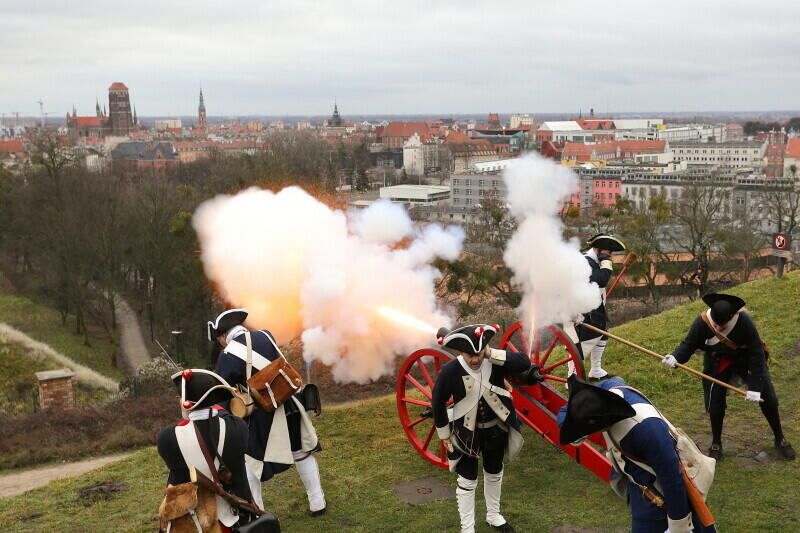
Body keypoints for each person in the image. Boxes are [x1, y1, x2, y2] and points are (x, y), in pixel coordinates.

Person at [558, 376, 718, 533]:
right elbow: (568, 408)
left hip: (661, 495)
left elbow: (672, 477)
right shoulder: (606, 390)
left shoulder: (647, 431)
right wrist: (575, 426)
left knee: (696, 522)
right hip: (640, 488)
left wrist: (678, 524)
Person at [208, 309, 326, 516]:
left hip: (263, 414)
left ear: (223, 335)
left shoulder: (226, 356)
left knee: (250, 462)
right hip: (289, 402)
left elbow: (223, 393)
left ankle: (257, 512)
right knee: (301, 453)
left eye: (219, 339)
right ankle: (318, 503)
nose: (220, 343)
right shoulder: (265, 335)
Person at [432, 323, 542, 533]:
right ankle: (467, 528)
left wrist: (491, 353)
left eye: (478, 353)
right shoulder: (450, 371)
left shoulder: (494, 359)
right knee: (467, 480)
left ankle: (494, 515)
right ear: (459, 352)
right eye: (469, 354)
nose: (475, 359)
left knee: (494, 472)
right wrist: (444, 434)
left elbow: (523, 363)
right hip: (465, 434)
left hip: (495, 429)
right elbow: (437, 404)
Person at [663, 293, 795, 461]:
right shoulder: (702, 322)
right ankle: (716, 443)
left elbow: (756, 354)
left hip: (746, 360)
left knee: (768, 397)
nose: (718, 328)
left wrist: (755, 387)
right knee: (715, 401)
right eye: (716, 325)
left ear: (731, 317)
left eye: (722, 326)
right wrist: (675, 357)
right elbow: (689, 344)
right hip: (718, 362)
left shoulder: (745, 322)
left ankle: (780, 439)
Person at [156, 368, 257, 532]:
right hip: (234, 519)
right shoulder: (238, 428)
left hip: (191, 523)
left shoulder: (167, 438)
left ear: (185, 402)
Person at [575, 233, 626, 381]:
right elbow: (601, 280)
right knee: (582, 343)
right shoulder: (585, 262)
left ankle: (596, 370)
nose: (609, 256)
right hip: (581, 309)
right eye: (608, 253)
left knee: (602, 334)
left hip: (593, 306)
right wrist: (606, 264)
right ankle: (572, 376)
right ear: (598, 250)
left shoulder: (593, 261)